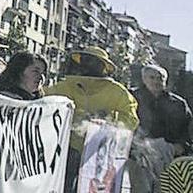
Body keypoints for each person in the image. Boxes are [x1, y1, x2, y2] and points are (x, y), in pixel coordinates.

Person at [44, 46, 139, 193]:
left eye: (92, 61)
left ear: (102, 66)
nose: (87, 64)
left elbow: (131, 120)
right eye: (84, 60)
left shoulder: (117, 92)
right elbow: (43, 103)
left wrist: (108, 118)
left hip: (100, 153)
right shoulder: (66, 86)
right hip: (68, 148)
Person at [133, 64, 193, 156]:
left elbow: (188, 127)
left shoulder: (178, 103)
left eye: (160, 78)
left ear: (165, 81)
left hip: (171, 153)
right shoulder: (131, 97)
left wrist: (183, 145)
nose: (156, 81)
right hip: (137, 151)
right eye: (152, 77)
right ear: (144, 79)